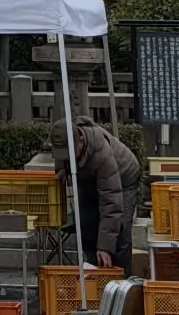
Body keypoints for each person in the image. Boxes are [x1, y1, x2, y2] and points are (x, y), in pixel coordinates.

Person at [50, 116, 140, 274]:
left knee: (120, 234)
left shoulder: (102, 156)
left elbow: (111, 203)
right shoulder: (65, 140)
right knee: (87, 227)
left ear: (81, 140)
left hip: (123, 180)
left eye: (69, 153)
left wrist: (105, 247)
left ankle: (122, 284)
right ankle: (94, 275)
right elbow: (60, 156)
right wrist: (62, 168)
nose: (67, 157)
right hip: (90, 184)